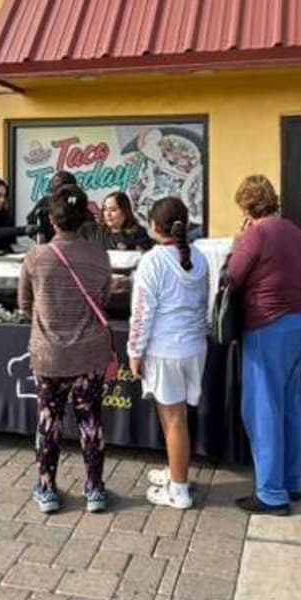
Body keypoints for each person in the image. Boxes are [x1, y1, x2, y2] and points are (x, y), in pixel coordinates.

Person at [17, 185, 113, 515]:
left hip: (48, 354)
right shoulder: (99, 256)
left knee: (49, 420)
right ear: (84, 218)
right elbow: (102, 299)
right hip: (90, 353)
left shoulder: (35, 256)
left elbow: (24, 304)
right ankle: (95, 489)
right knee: (90, 419)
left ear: (51, 219)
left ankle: (46, 488)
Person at [224, 175, 301, 517]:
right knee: (290, 406)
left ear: (247, 206)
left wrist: (237, 241)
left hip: (267, 325)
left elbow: (232, 275)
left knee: (263, 410)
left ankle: (271, 493)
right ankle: (291, 480)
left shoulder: (256, 233)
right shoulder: (293, 231)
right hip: (298, 322)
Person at [127, 197, 208, 510]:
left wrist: (135, 351)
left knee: (173, 419)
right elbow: (205, 303)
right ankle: (176, 470)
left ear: (153, 226)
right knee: (178, 417)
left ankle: (179, 490)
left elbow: (142, 313)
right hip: (193, 347)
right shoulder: (200, 257)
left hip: (165, 350)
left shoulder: (153, 261)